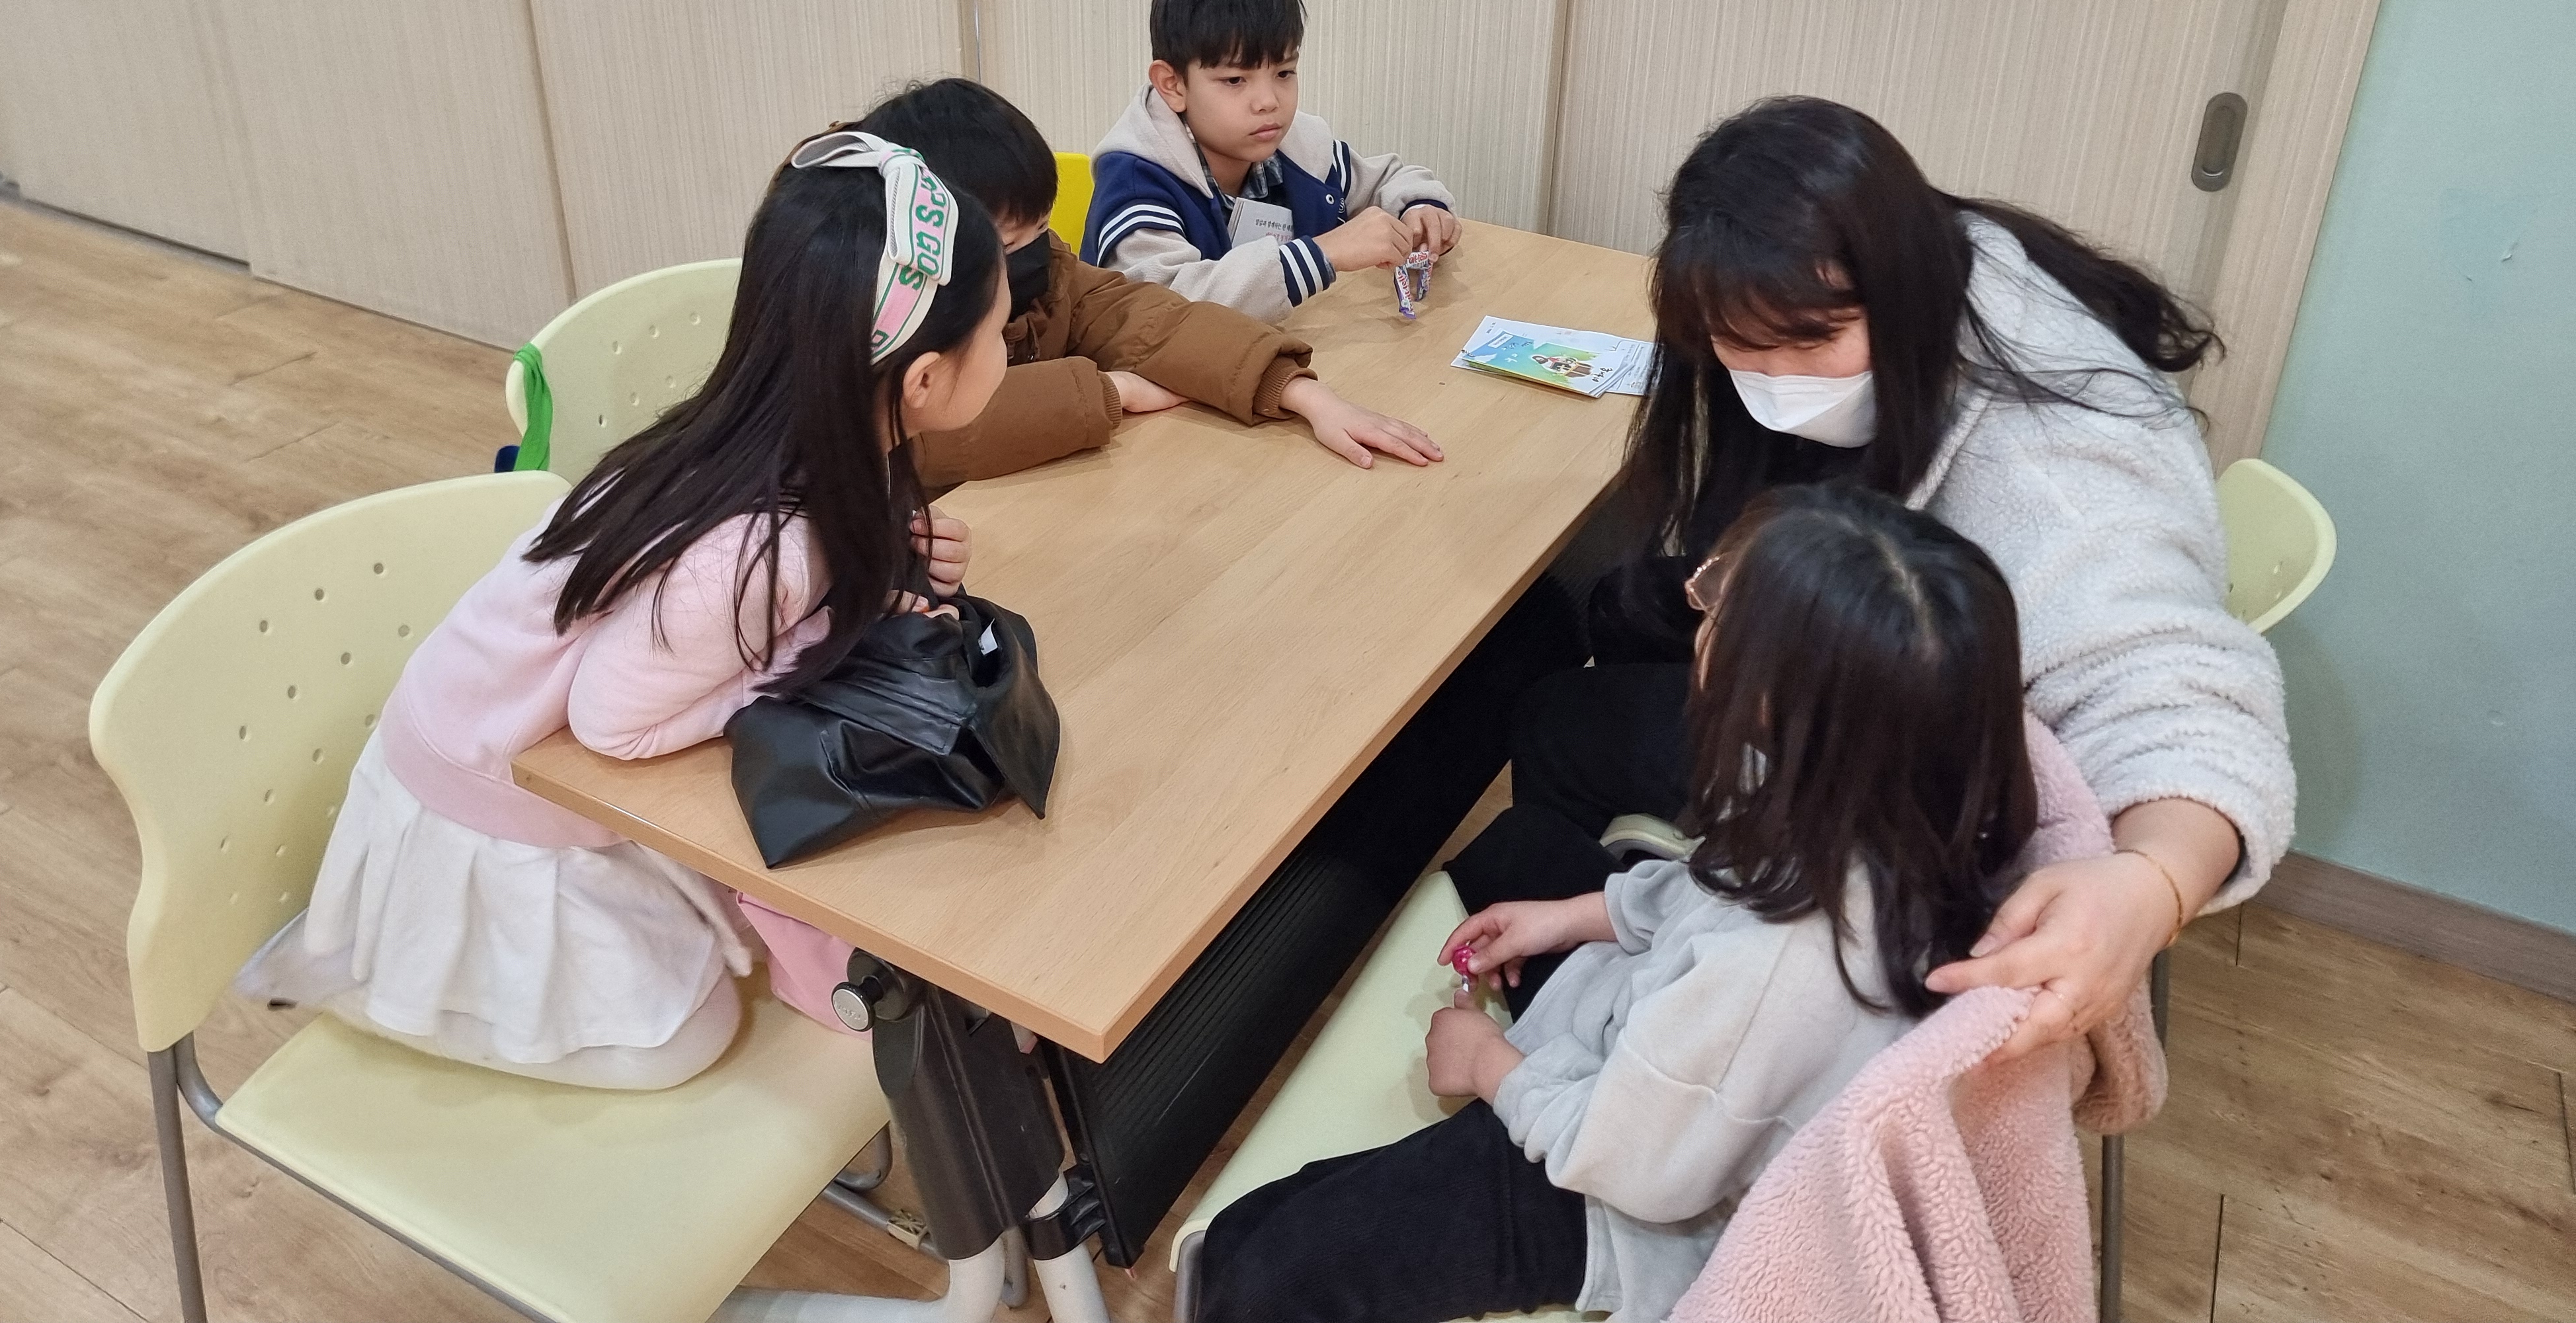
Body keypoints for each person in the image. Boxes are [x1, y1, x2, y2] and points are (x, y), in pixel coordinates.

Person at [1513, 97, 2293, 1063]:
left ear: (1899, 287)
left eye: (1810, 341)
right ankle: (1631, 917)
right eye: (1739, 344)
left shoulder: (2055, 479)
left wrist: (2152, 882)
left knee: (1559, 719)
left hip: (1916, 799)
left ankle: (1603, 978)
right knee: (1624, 606)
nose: (1773, 377)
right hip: (1883, 671)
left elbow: (2176, 697)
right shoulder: (1949, 251)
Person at [236, 133, 1013, 1088]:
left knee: (758, 928)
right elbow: (611, 722)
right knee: (682, 1037)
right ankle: (370, 980)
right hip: (486, 816)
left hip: (526, 756)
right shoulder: (758, 551)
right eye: (1000, 334)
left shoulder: (786, 444)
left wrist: (878, 573)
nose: (1009, 349)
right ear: (923, 380)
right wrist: (801, 649)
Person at [1198, 484, 2043, 1323]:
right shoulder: (1875, 794)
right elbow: (1713, 885)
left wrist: (1488, 1065)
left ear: (1778, 699)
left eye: (1720, 608)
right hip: (1656, 1051)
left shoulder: (1776, 970)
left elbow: (1635, 1166)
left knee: (1258, 1261)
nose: (1699, 614)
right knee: (1521, 847)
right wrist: (1575, 915)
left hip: (1619, 1202)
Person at [855, 77, 1442, 481]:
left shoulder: (1050, 275)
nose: (1032, 253)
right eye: (1008, 245)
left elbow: (1152, 321)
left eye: (1041, 228)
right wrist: (1113, 391)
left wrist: (1300, 393)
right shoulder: (877, 329)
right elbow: (926, 435)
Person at [1083, 0, 1461, 321]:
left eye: (1284, 73)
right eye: (1235, 80)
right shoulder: (1138, 184)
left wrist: (1420, 208)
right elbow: (1164, 310)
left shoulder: (1297, 148)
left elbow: (1388, 179)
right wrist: (1324, 253)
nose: (1268, 102)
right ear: (1173, 85)